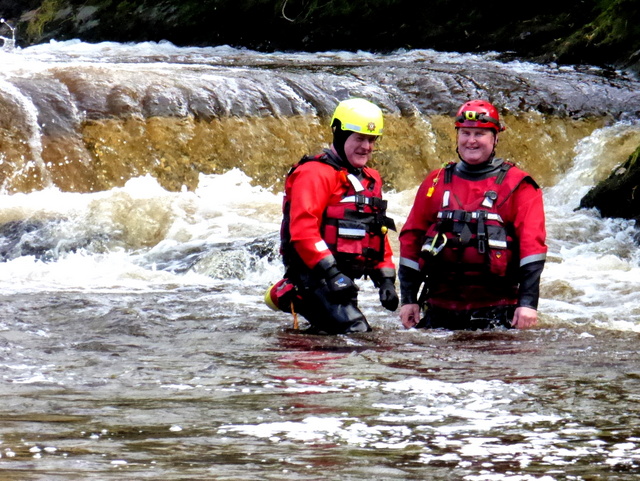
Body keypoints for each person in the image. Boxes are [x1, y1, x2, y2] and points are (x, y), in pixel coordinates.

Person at [398, 99, 547, 331]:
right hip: (438, 309)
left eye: (480, 134)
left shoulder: (518, 184)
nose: (471, 141)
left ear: (495, 138)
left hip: (497, 310)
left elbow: (532, 248)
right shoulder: (435, 181)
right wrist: (408, 299)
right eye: (465, 133)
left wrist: (528, 304)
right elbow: (411, 239)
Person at [265, 98, 398, 334]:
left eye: (371, 140)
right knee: (356, 332)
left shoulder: (370, 178)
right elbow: (304, 232)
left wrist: (385, 278)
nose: (366, 146)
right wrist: (332, 274)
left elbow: (378, 231)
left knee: (344, 339)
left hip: (343, 281)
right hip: (312, 278)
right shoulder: (314, 173)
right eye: (359, 138)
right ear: (339, 134)